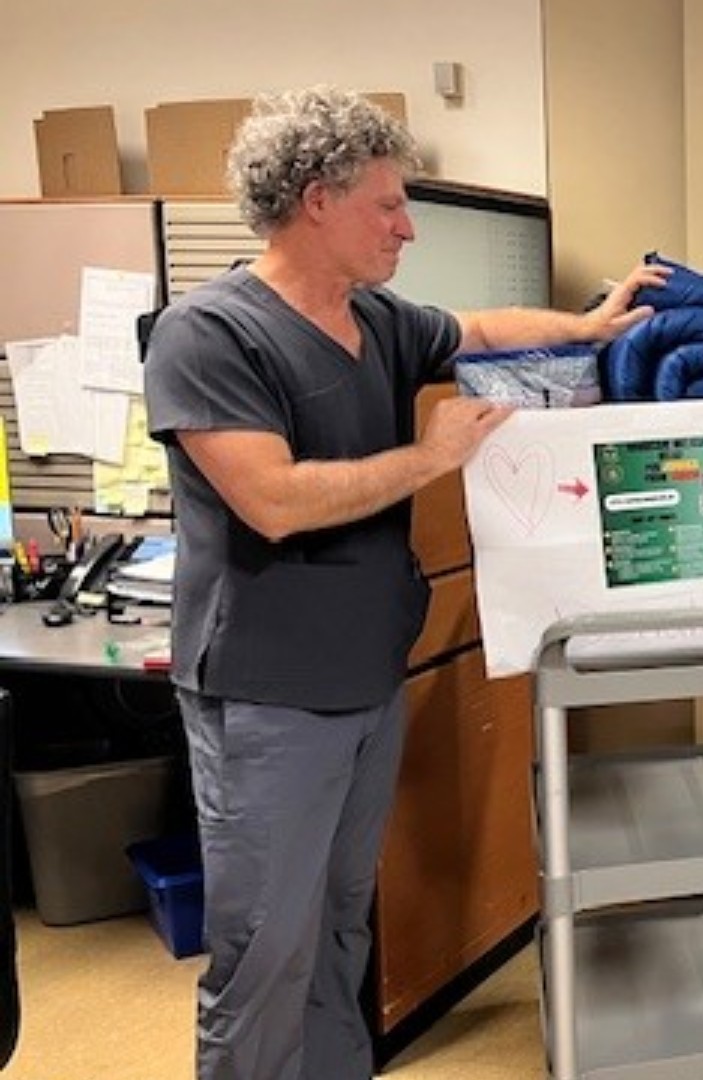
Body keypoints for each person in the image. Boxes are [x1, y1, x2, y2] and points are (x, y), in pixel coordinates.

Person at [141, 86, 666, 1080]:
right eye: (388, 205)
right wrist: (431, 460)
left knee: (342, 930)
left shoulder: (373, 317)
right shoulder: (208, 335)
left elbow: (481, 329)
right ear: (316, 201)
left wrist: (589, 328)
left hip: (368, 683)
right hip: (270, 700)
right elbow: (275, 502)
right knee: (265, 953)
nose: (408, 226)